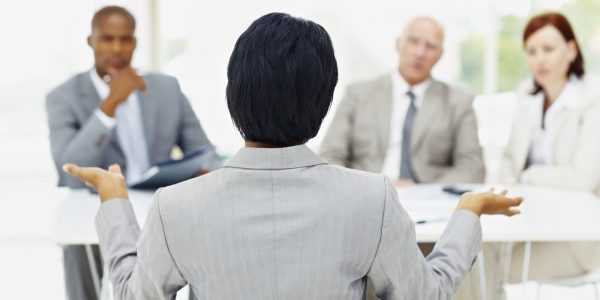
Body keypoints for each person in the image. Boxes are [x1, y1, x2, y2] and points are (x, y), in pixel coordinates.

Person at [62, 12, 522, 300]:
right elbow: (425, 294)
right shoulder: (372, 200)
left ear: (233, 97)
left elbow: (129, 295)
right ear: (322, 107)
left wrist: (114, 200)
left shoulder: (175, 206)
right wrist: (468, 212)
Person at [45, 6, 219, 300]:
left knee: (204, 238)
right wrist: (112, 102)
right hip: (98, 207)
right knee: (77, 249)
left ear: (135, 42)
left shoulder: (166, 88)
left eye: (125, 39)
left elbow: (205, 152)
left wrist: (208, 174)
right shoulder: (63, 96)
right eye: (107, 39)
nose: (117, 48)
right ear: (91, 41)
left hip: (159, 205)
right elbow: (71, 173)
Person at [455, 12, 600, 300]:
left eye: (548, 49)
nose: (539, 60)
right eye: (532, 52)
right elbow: (509, 161)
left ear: (571, 50)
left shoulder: (592, 97)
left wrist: (529, 175)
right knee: (468, 251)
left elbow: (584, 178)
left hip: (579, 235)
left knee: (481, 262)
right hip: (530, 221)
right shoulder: (526, 97)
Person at [319, 16, 484, 186]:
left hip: (429, 200)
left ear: (440, 55)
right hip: (365, 194)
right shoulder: (358, 94)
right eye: (413, 41)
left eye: (431, 46)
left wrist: (423, 191)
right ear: (398, 44)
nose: (420, 53)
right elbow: (329, 156)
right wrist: (367, 188)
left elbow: (473, 168)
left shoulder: (458, 102)